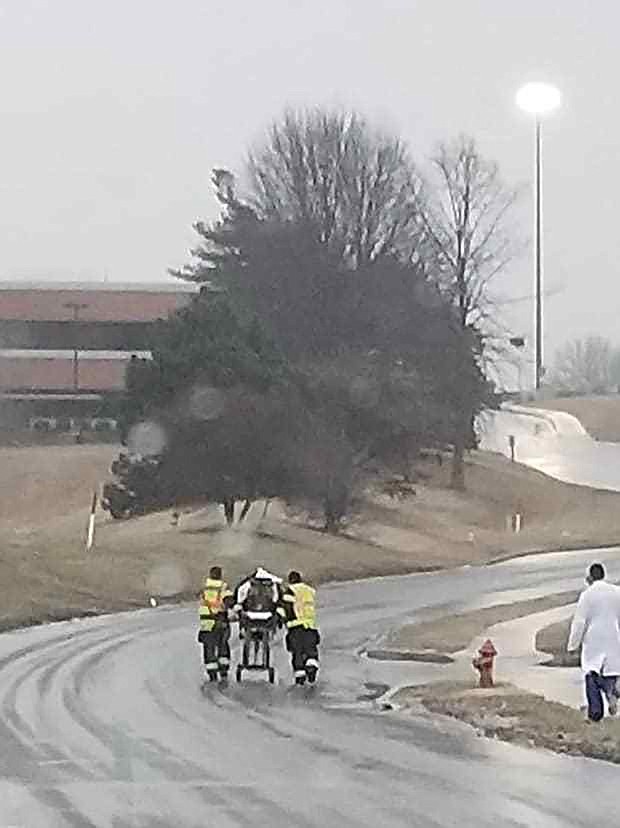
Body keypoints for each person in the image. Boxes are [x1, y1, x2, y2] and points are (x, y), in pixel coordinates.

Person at [567, 562, 620, 722]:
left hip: (594, 640)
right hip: (613, 637)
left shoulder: (587, 595)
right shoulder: (617, 592)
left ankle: (595, 713)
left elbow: (579, 622)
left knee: (592, 675)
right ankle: (612, 693)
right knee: (611, 672)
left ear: (589, 577)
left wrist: (573, 645)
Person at [280, 570, 320, 685]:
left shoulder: (290, 591)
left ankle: (300, 675)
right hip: (310, 626)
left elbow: (286, 607)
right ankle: (311, 667)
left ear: (290, 580)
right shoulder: (309, 591)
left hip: (295, 626)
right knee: (311, 650)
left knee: (297, 652)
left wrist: (282, 618)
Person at [198, 566, 235, 683]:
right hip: (220, 621)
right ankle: (223, 671)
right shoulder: (223, 587)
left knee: (208, 648)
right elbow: (229, 600)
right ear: (220, 575)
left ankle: (212, 674)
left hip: (206, 622)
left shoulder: (205, 587)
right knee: (222, 645)